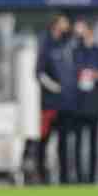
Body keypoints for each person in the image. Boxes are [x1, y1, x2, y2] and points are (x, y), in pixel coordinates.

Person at [35, 14, 76, 184]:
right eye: (63, 23)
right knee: (44, 141)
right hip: (49, 105)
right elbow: (39, 73)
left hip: (66, 104)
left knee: (64, 142)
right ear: (55, 26)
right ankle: (42, 176)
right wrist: (54, 87)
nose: (66, 26)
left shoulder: (68, 46)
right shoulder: (46, 46)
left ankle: (65, 178)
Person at [70, 18, 98, 184]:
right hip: (78, 103)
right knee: (78, 143)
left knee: (94, 143)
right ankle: (79, 177)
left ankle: (92, 178)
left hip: (94, 104)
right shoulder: (74, 52)